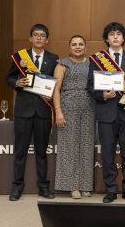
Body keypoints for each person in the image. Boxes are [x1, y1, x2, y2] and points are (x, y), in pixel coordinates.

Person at [87, 22, 125, 203]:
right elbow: (90, 87)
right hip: (106, 115)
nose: (115, 37)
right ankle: (111, 190)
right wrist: (102, 94)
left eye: (118, 34)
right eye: (111, 34)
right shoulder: (97, 59)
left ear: (123, 38)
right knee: (108, 154)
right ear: (106, 38)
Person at [6, 23, 59, 201]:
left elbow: (56, 83)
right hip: (23, 110)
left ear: (47, 39)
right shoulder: (20, 57)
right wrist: (16, 83)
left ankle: (43, 187)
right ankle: (17, 188)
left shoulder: (53, 58)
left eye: (42, 35)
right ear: (30, 38)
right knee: (20, 151)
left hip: (43, 111)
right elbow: (10, 77)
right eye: (35, 35)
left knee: (42, 152)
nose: (38, 38)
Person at [53, 35, 97, 199]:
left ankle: (85, 185)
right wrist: (58, 111)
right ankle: (72, 186)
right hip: (68, 108)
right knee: (69, 148)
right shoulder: (62, 64)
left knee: (86, 148)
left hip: (89, 108)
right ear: (69, 47)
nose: (77, 47)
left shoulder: (92, 63)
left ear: (85, 47)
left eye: (80, 44)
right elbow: (56, 89)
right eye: (74, 44)